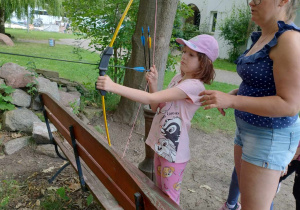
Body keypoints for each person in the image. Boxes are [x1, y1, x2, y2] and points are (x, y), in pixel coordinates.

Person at [199, 0, 300, 209]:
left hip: (268, 136)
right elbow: (263, 85)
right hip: (247, 130)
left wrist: (233, 100)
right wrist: (235, 94)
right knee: (250, 202)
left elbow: (290, 104)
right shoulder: (264, 35)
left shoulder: (288, 40)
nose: (252, 2)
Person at [96, 34, 219, 204]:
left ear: (204, 63)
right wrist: (154, 84)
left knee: (170, 199)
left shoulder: (194, 86)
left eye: (191, 55)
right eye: (184, 51)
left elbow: (150, 100)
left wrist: (113, 86)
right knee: (160, 194)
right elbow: (157, 107)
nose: (184, 56)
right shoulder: (179, 79)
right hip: (162, 145)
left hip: (174, 153)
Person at [219, 142, 300, 210]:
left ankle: (230, 204)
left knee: (266, 185)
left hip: (278, 149)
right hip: (274, 148)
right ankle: (231, 204)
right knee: (267, 185)